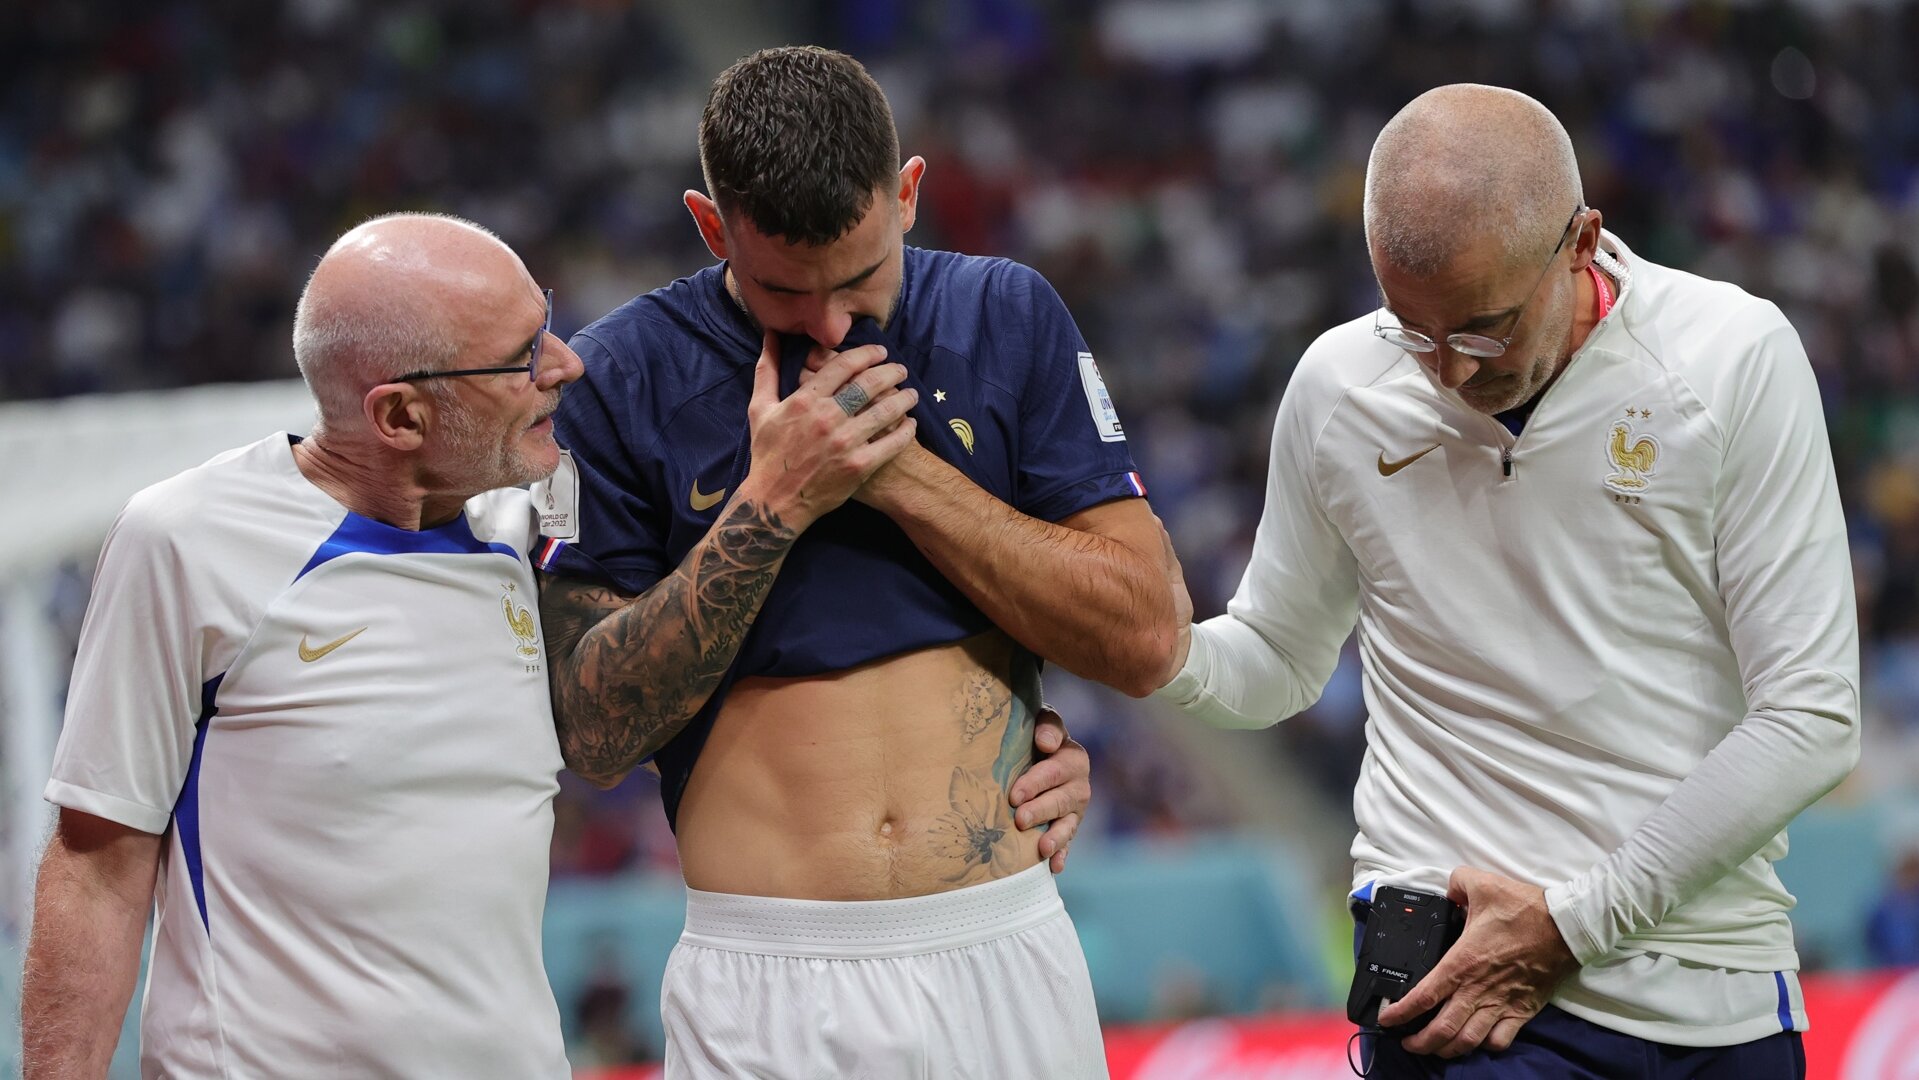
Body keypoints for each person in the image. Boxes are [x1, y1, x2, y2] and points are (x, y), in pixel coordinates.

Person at [18, 211, 930, 1076]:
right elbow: (99, 861)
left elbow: (675, 701)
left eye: (549, 328)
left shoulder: (526, 528)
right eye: (521, 358)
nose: (567, 366)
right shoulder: (186, 540)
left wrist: (1030, 752)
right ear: (400, 418)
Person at [1152, 84, 1858, 1077]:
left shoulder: (1726, 359)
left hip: (1714, 999)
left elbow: (1809, 717)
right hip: (1459, 1000)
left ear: (1580, 242)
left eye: (1480, 330)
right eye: (1410, 327)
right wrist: (1154, 648)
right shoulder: (1338, 386)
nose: (1443, 369)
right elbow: (1276, 657)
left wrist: (1569, 925)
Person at [537, 46, 1175, 1078]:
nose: (832, 327)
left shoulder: (1005, 315)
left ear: (908, 194)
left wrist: (897, 477)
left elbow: (1147, 636)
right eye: (787, 291)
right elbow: (592, 733)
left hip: (1001, 943)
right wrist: (773, 500)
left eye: (860, 278)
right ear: (711, 228)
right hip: (766, 977)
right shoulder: (616, 378)